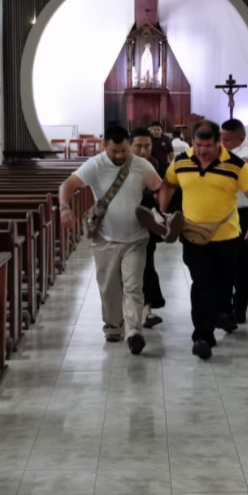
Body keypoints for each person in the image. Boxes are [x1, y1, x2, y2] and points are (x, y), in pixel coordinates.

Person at [159, 121, 248, 361]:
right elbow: (167, 185)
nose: (201, 151)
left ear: (219, 143)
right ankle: (202, 336)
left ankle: (219, 313)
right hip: (192, 235)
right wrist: (162, 213)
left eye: (207, 146)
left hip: (226, 236)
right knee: (202, 283)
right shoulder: (181, 161)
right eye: (198, 145)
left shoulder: (237, 165)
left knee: (222, 285)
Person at [59, 126, 164, 355]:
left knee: (134, 286)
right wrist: (64, 208)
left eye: (124, 150)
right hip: (105, 238)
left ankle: (134, 331)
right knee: (109, 288)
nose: (119, 155)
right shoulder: (95, 164)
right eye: (114, 151)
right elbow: (67, 185)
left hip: (136, 238)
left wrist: (161, 212)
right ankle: (114, 325)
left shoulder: (140, 164)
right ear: (104, 145)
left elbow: (159, 188)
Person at [220, 119, 248, 325]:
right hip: (226, 215)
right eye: (221, 138)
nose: (223, 142)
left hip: (246, 214)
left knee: (245, 264)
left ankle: (240, 306)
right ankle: (226, 307)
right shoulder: (224, 150)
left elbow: (231, 183)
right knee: (226, 262)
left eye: (227, 140)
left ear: (240, 138)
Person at [130, 128, 166, 328]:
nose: (144, 151)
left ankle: (147, 310)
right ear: (129, 146)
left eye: (147, 146)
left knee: (147, 265)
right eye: (139, 146)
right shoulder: (119, 165)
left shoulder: (154, 164)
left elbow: (162, 192)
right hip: (123, 225)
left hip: (147, 223)